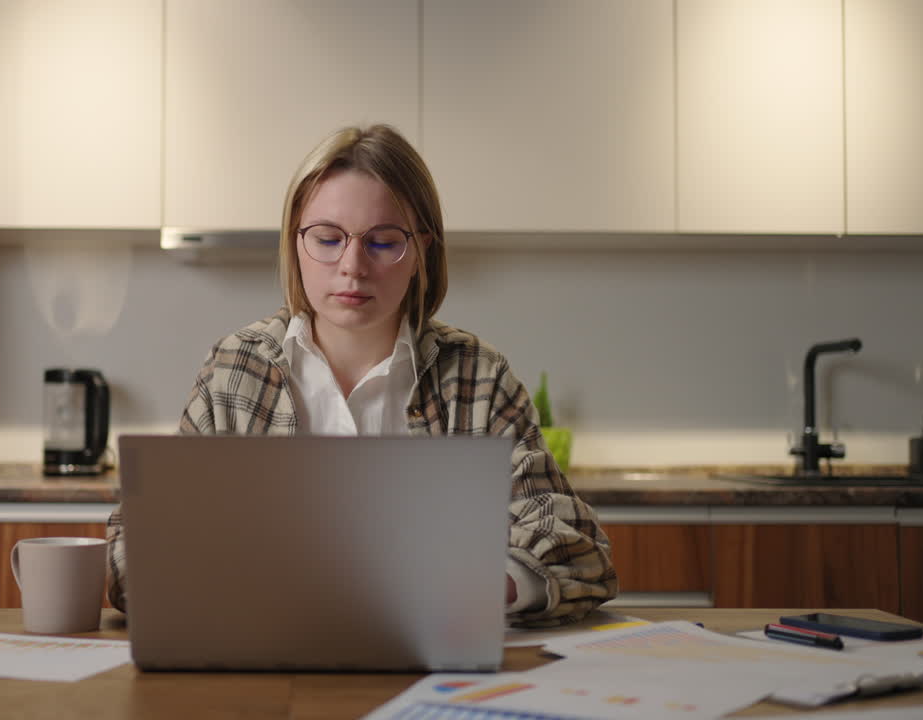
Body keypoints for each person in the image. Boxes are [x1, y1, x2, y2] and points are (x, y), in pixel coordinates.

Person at [107, 124, 618, 626]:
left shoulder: (477, 376)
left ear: (421, 251)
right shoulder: (235, 368)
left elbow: (578, 545)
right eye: (327, 239)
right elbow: (132, 546)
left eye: (383, 241)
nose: (352, 266)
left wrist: (489, 585)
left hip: (431, 670)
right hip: (262, 664)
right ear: (294, 244)